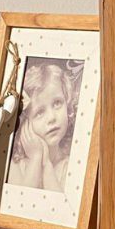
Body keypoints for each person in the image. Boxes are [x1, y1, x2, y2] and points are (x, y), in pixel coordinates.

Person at [8, 60, 82, 192]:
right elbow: (23, 200)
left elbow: (60, 204)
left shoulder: (70, 166)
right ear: (25, 123)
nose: (52, 118)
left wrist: (46, 164)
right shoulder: (16, 166)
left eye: (57, 103)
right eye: (40, 112)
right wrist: (36, 158)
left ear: (68, 103)